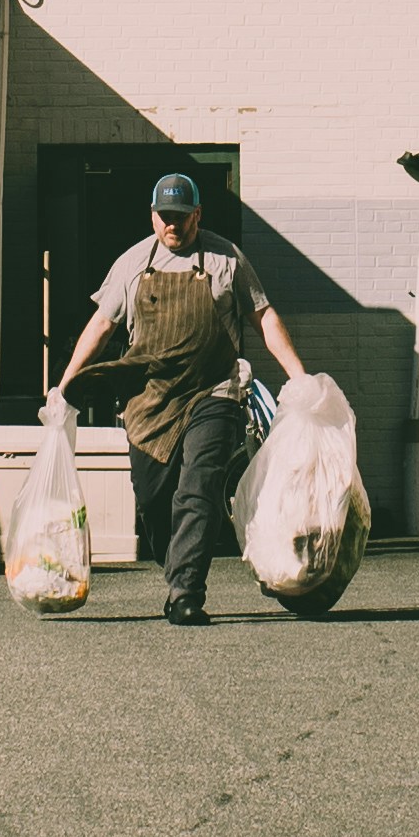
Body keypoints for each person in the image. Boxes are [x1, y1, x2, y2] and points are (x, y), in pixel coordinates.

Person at [55, 170, 308, 628]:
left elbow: (263, 317)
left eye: (182, 217)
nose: (173, 226)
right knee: (152, 499)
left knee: (200, 486)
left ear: (198, 215)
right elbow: (101, 327)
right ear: (153, 216)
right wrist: (65, 386)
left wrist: (301, 378)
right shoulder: (132, 264)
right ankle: (177, 570)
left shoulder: (227, 259)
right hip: (150, 401)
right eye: (164, 217)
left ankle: (187, 591)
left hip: (214, 392)